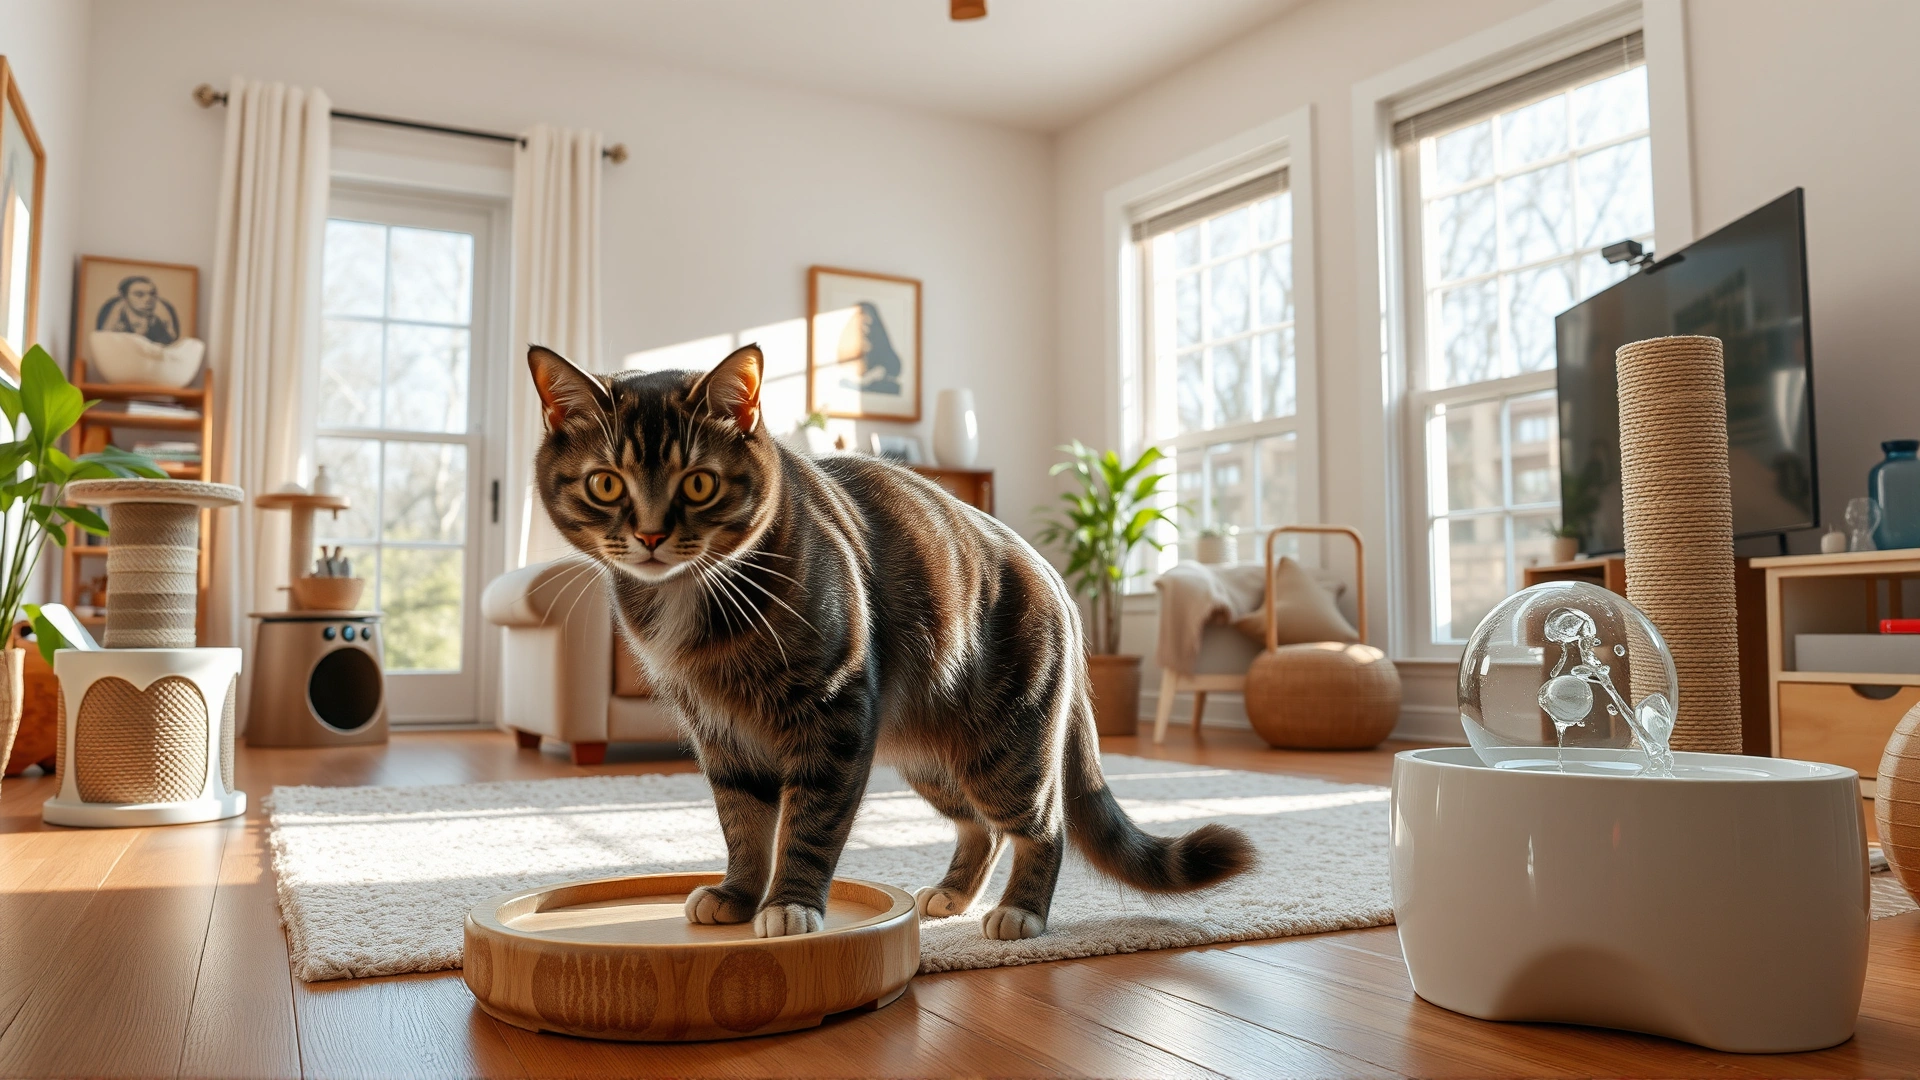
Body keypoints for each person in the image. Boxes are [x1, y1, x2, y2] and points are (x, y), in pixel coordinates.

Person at [95, 275, 181, 345]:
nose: (148, 300)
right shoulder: (113, 318)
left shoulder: (162, 320)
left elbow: (172, 344)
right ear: (124, 297)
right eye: (139, 294)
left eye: (152, 294)